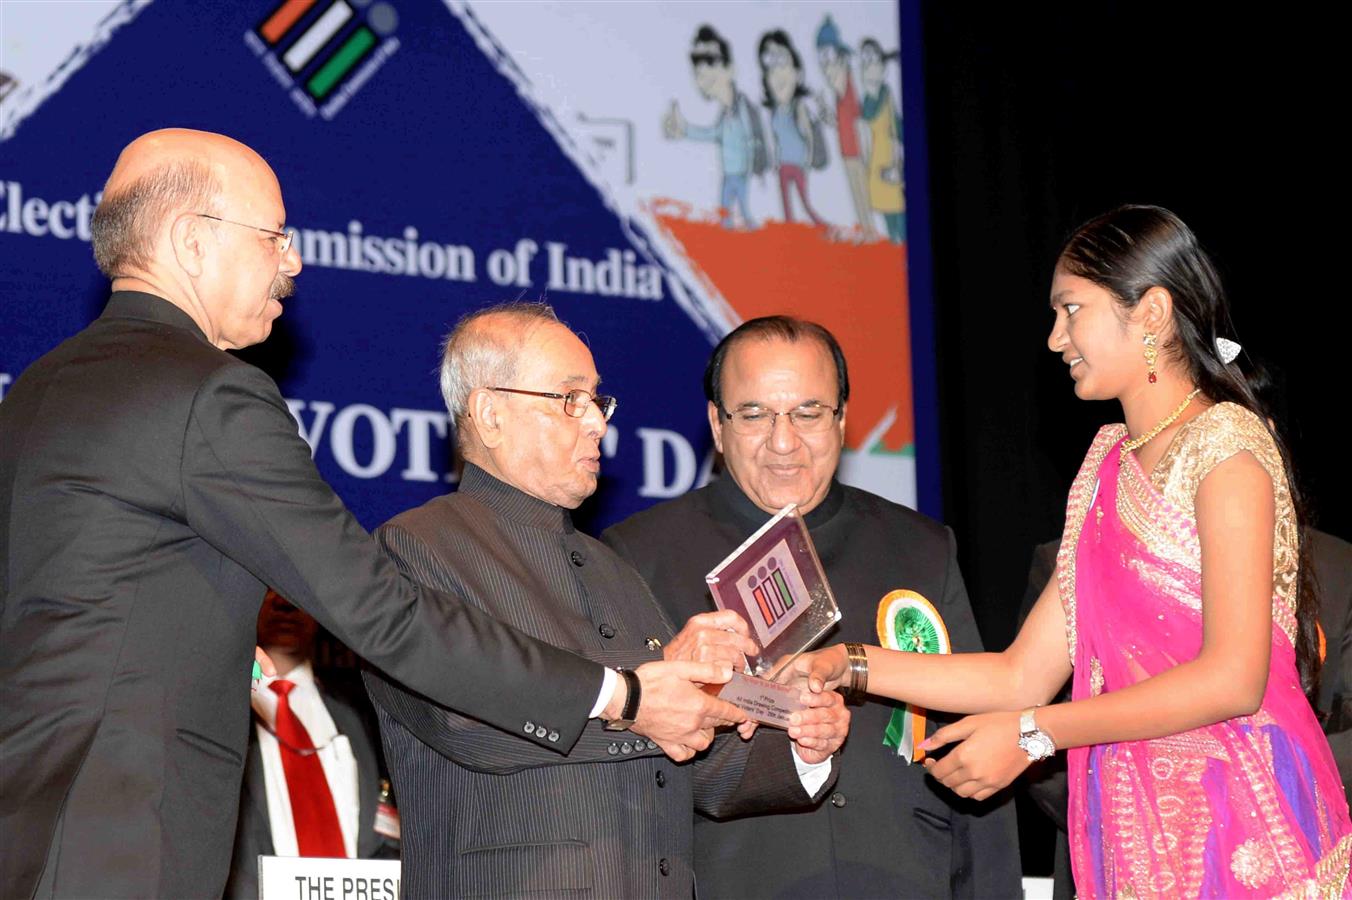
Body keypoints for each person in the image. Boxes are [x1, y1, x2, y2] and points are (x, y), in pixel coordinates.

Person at [0, 128, 739, 898]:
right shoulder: (210, 395)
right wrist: (622, 694)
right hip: (123, 837)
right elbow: (383, 613)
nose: (293, 262)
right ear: (191, 241)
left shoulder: (36, 396)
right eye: (274, 236)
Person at [793, 205, 1352, 896]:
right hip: (1136, 836)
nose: (1056, 338)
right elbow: (1017, 677)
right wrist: (846, 664)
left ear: (1149, 312)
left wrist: (1032, 735)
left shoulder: (1227, 450)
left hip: (1245, 832)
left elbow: (1232, 679)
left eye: (1071, 310)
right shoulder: (1106, 466)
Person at [362, 302, 848, 897]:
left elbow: (689, 764)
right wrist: (642, 702)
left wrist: (796, 732)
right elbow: (466, 719)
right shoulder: (416, 548)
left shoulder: (614, 569)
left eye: (597, 400)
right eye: (570, 399)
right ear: (490, 414)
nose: (597, 422)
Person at [603, 316, 1022, 897]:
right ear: (716, 427)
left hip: (905, 877)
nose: (783, 441)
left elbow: (980, 736)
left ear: (843, 420)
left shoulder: (922, 546)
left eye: (808, 413)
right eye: (753, 415)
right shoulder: (638, 554)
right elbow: (621, 765)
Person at [225, 590, 397, 899]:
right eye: (266, 589)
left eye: (295, 592)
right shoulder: (219, 714)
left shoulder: (369, 718)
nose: (283, 602)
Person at [664, 24, 766, 229]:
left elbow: (753, 137)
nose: (702, 71)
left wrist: (756, 165)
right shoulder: (725, 115)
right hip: (729, 172)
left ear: (731, 69)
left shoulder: (744, 109)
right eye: (697, 65)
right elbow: (713, 134)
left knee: (743, 209)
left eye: (710, 61)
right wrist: (684, 130)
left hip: (742, 171)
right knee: (725, 210)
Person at [815, 16, 876, 241]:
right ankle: (866, 230)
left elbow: (855, 116)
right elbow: (837, 120)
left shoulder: (845, 78)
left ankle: (870, 231)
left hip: (856, 148)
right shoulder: (839, 88)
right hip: (846, 148)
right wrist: (823, 110)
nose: (825, 65)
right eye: (822, 58)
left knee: (861, 191)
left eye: (828, 57)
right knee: (855, 192)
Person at [758, 30, 825, 226]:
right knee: (786, 207)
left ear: (798, 73)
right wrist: (774, 160)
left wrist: (809, 159)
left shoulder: (799, 107)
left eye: (782, 63)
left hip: (799, 163)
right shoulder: (775, 112)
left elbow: (809, 135)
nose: (776, 74)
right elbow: (775, 139)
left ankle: (825, 229)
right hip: (783, 164)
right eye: (770, 68)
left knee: (805, 204)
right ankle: (792, 238)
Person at [857, 38, 905, 243]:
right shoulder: (865, 103)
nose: (868, 67)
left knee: (900, 221)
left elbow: (898, 130)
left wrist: (899, 165)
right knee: (889, 228)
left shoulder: (888, 95)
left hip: (891, 165)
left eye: (873, 61)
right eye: (864, 63)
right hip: (875, 169)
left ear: (883, 68)